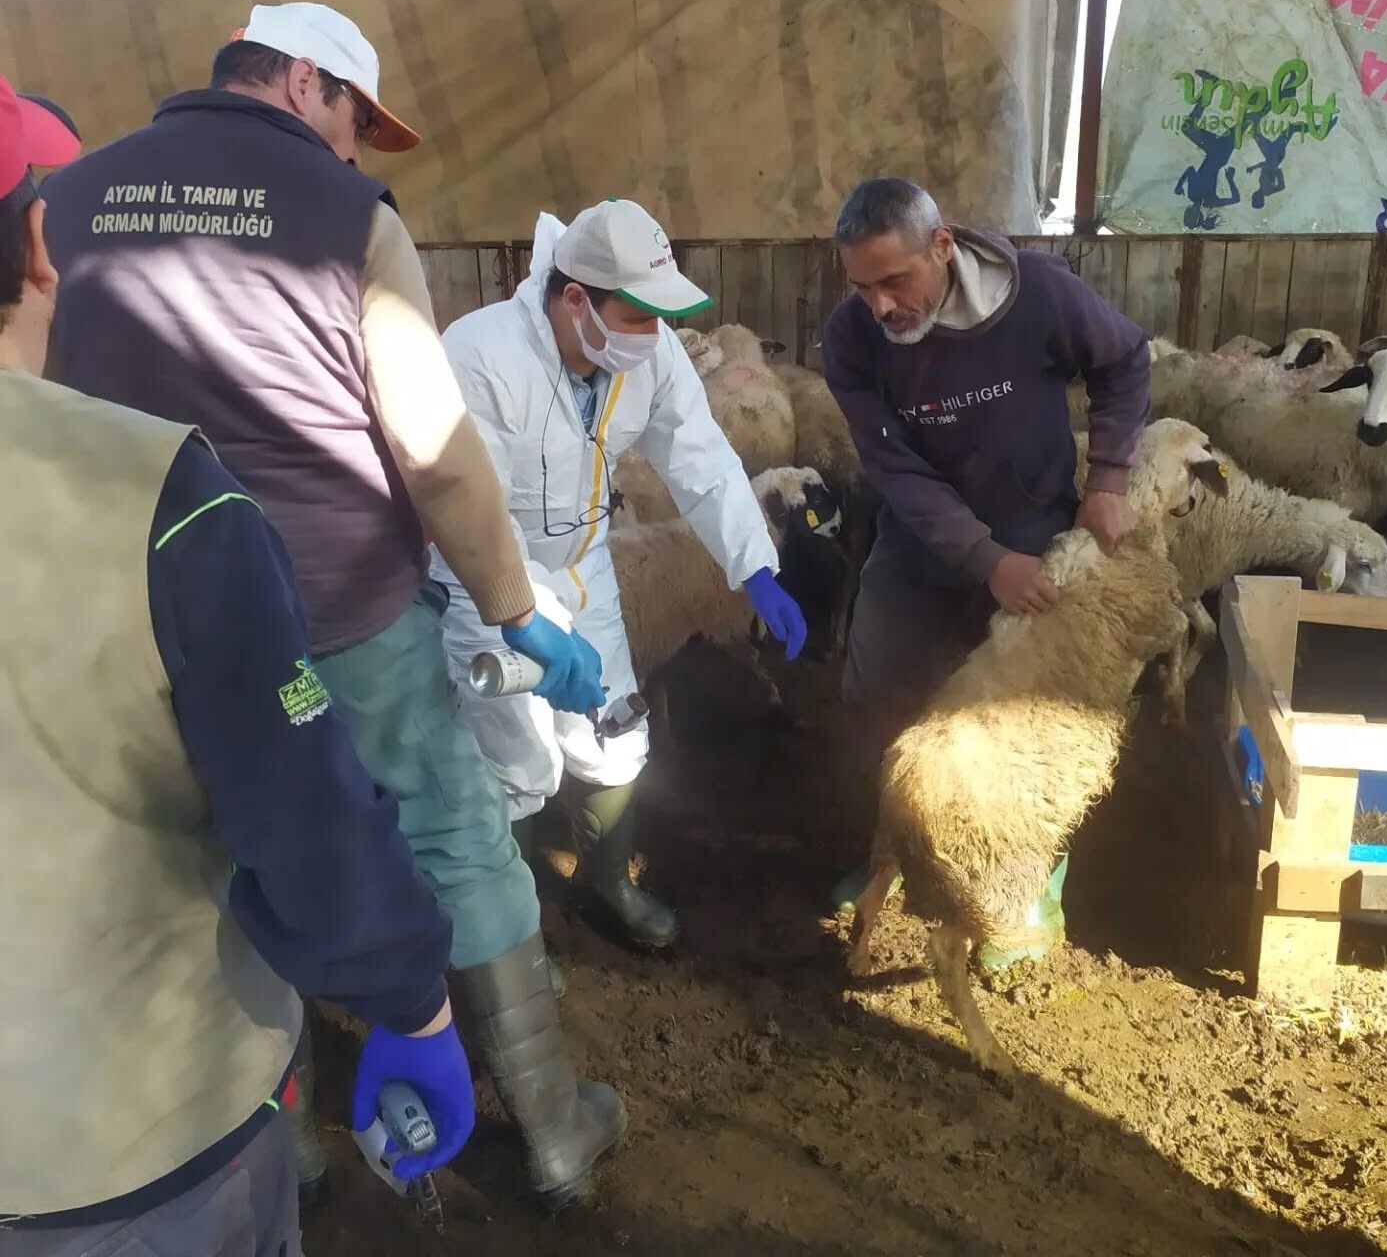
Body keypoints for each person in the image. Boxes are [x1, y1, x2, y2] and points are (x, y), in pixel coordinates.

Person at [40, 4, 623, 1210]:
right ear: (305, 82)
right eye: (356, 117)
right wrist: (517, 612)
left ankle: (286, 1146)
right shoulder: (344, 216)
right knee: (456, 838)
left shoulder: (63, 201)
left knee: (215, 855)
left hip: (143, 609)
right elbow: (438, 450)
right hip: (341, 607)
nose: (355, 150)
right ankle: (558, 1134)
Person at [0, 72, 473, 1251]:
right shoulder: (161, 499)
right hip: (126, 1148)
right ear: (41, 242)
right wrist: (410, 1004)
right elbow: (301, 812)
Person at [435, 200, 809, 949]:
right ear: (576, 299)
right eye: (636, 317)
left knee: (616, 734)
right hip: (485, 580)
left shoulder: (648, 352)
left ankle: (607, 882)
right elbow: (471, 507)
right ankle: (507, 933)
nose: (653, 336)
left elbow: (698, 455)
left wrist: (754, 566)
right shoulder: (480, 355)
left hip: (584, 565)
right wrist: (525, 620)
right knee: (514, 759)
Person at [822, 178, 1150, 955]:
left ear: (942, 247)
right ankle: (892, 853)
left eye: (894, 280)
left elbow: (1125, 359)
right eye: (861, 286)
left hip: (1034, 523)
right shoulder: (851, 337)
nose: (879, 304)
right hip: (922, 536)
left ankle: (1033, 887)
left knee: (1037, 715)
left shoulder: (1035, 294)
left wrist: (1106, 480)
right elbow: (891, 465)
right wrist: (982, 557)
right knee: (881, 688)